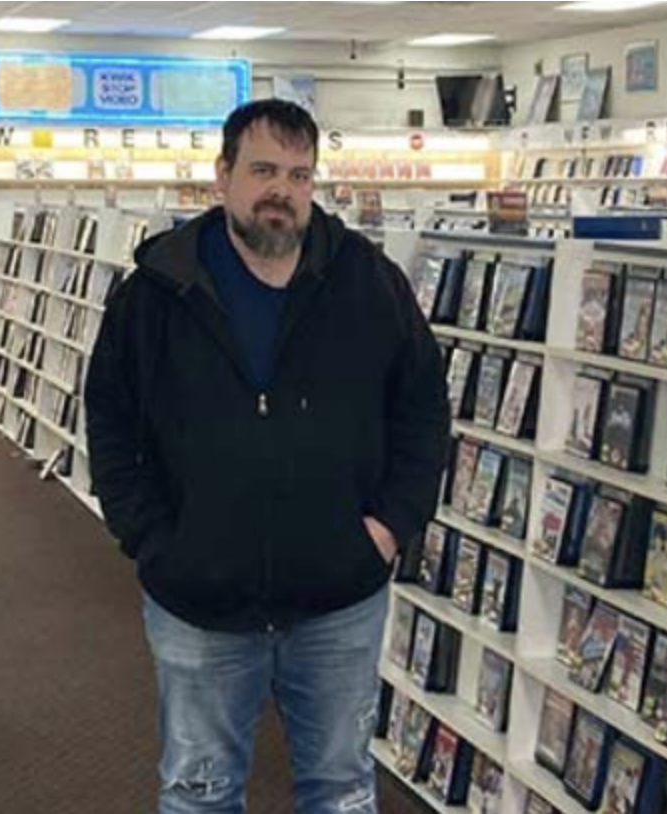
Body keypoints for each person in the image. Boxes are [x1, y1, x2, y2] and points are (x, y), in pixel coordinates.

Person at [84, 98, 451, 814]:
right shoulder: (157, 291)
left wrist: (386, 531)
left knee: (340, 791)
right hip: (198, 600)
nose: (281, 189)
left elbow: (423, 411)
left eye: (299, 174)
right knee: (198, 793)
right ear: (222, 177)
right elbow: (110, 418)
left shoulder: (369, 284)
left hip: (339, 598)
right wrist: (154, 541)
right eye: (262, 170)